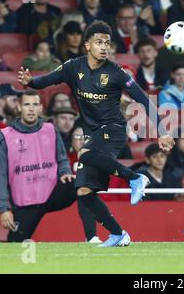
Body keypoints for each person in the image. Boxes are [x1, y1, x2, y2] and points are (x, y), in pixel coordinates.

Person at [18, 20, 174, 247]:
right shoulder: (74, 67)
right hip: (94, 134)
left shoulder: (116, 73)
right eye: (99, 42)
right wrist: (30, 81)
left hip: (114, 130)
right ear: (87, 44)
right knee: (83, 190)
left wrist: (162, 131)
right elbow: (48, 80)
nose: (104, 47)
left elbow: (143, 100)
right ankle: (118, 234)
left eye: (108, 43)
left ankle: (136, 178)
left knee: (84, 153)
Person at [0, 90, 77, 242]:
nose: (31, 109)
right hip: (25, 202)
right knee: (15, 245)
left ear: (41, 108)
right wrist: (3, 209)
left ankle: (93, 236)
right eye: (26, 104)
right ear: (19, 107)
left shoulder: (51, 130)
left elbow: (62, 159)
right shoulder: (4, 137)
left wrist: (65, 172)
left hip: (51, 194)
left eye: (35, 104)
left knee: (84, 182)